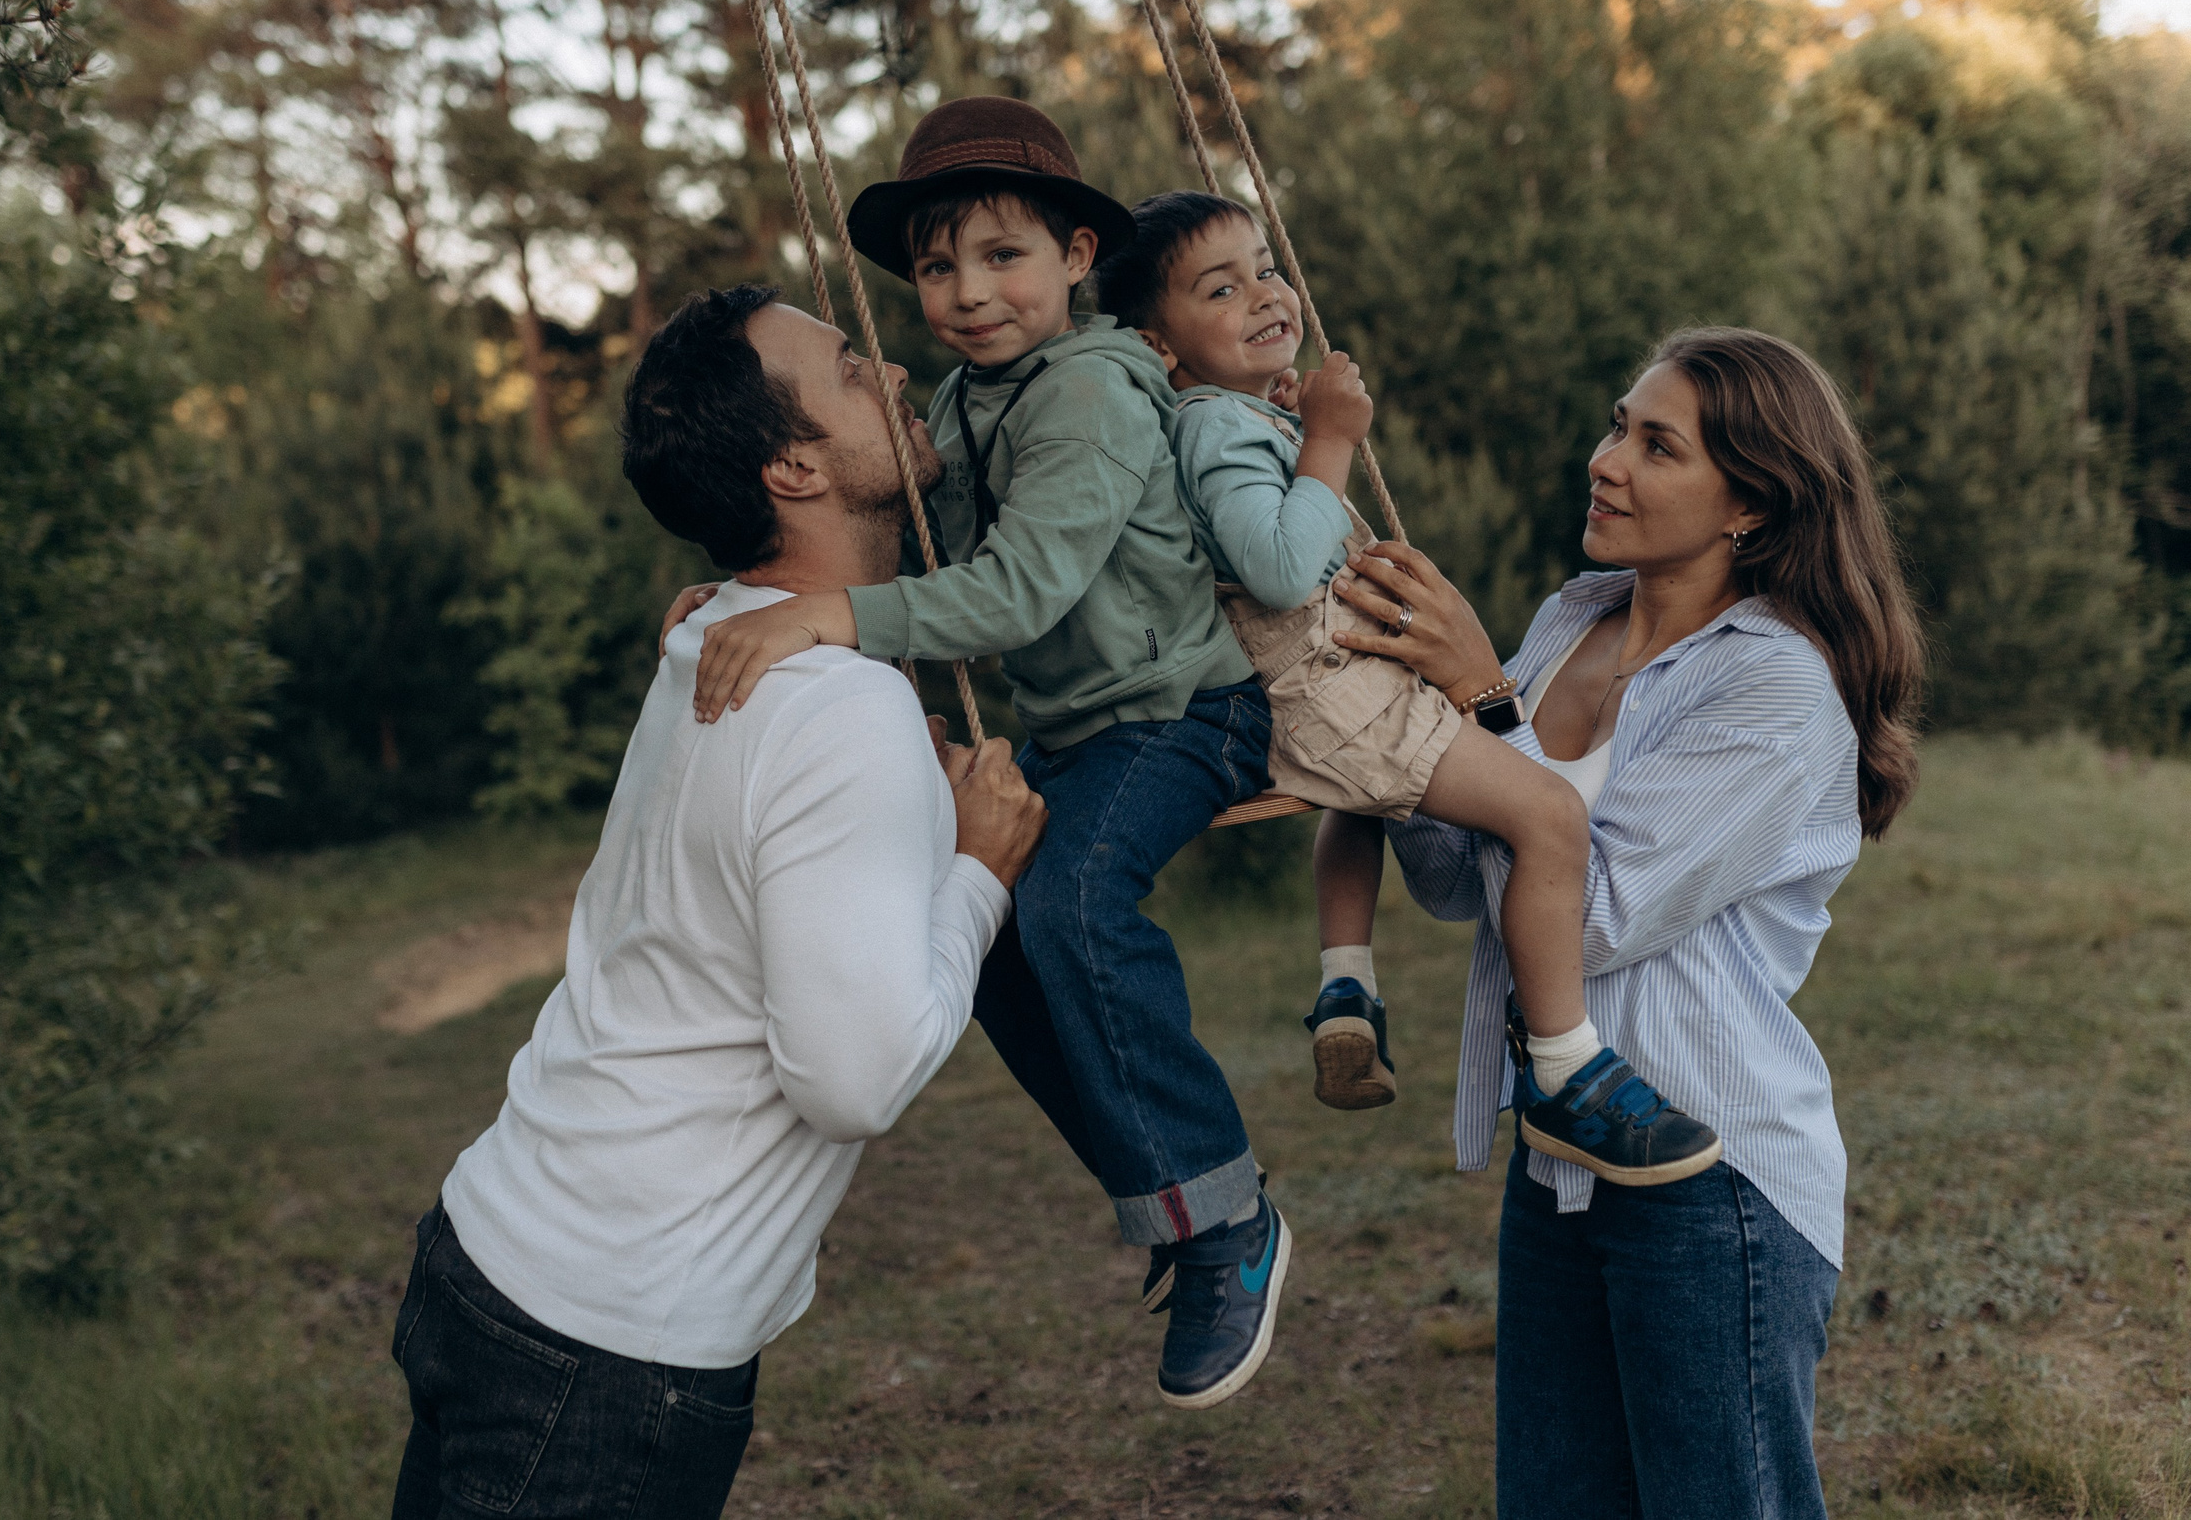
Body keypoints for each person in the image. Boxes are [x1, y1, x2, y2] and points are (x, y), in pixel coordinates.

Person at [386, 282, 1047, 1520]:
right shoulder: (831, 704)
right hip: (602, 1344)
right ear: (794, 467)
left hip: (496, 1257)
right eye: (854, 369)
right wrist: (979, 871)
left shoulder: (723, 633)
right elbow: (852, 1081)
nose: (894, 372)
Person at [681, 97, 1285, 1409]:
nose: (965, 291)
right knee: (994, 940)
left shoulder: (1091, 396)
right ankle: (1173, 1201)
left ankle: (1226, 1210)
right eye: (940, 266)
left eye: (1004, 256)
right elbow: (895, 536)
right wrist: (749, 587)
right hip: (1083, 731)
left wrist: (830, 613)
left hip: (1187, 712)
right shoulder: (966, 395)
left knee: (1068, 901)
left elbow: (1015, 593)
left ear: (1078, 254)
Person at [1329, 328, 1924, 1519]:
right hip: (1560, 1156)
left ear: (1749, 503)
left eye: (1658, 446)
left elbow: (1593, 917)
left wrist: (1476, 703)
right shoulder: (1570, 618)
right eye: (1618, 426)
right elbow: (1459, 882)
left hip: (1714, 1174)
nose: (1607, 461)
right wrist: (1387, 720)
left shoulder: (1776, 685)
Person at [1100, 192, 1722, 1198]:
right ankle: (1565, 1069)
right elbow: (1274, 563)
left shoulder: (1225, 415)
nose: (1265, 293)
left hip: (1315, 690)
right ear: (1160, 346)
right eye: (1221, 288)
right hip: (1324, 681)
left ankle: (1346, 984)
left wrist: (1300, 429)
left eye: (1264, 267)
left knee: (1364, 802)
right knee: (1550, 818)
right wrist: (1333, 440)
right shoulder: (1213, 427)